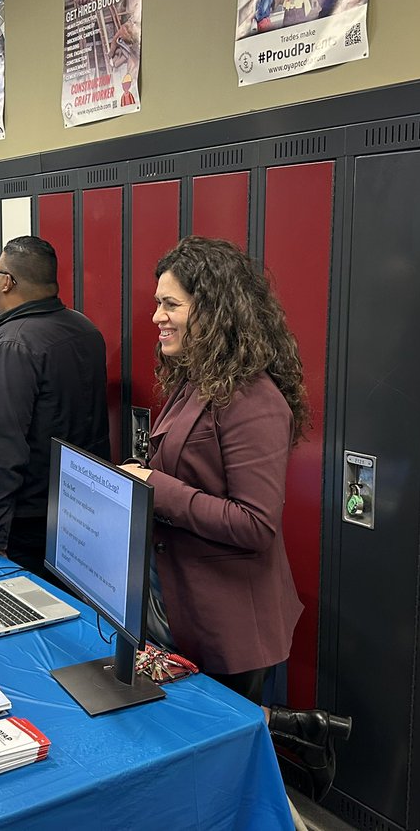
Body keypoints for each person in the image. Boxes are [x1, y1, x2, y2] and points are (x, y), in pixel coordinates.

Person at [119, 237, 349, 791]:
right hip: (178, 595)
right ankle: (292, 729)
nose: (156, 317)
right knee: (192, 734)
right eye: (158, 303)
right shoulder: (194, 380)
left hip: (226, 616)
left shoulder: (252, 398)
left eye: (170, 305)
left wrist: (156, 486)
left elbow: (255, 524)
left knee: (212, 765)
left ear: (214, 309)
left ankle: (292, 734)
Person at [0, 236, 109, 579]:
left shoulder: (13, 343)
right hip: (76, 510)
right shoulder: (86, 329)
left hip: (20, 521)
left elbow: (1, 442)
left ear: (7, 281)